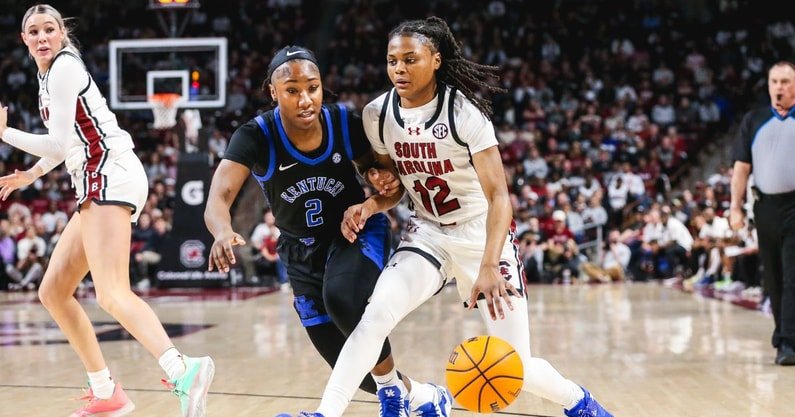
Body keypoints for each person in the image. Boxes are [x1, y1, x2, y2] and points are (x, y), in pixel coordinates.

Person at [296, 17, 614, 417]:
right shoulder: (378, 115)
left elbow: (501, 199)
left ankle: (579, 403)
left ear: (435, 60)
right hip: (428, 234)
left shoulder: (464, 114)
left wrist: (488, 266)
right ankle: (326, 413)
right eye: (392, 60)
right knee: (373, 317)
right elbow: (397, 188)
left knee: (516, 368)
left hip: (482, 237)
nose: (399, 69)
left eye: (410, 60)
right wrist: (372, 203)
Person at [203, 45, 445, 415]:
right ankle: (425, 397)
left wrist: (378, 177)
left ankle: (384, 402)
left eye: (312, 87)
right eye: (292, 90)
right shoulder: (255, 136)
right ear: (273, 91)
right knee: (347, 362)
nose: (305, 99)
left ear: (322, 86)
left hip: (354, 233)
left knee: (343, 299)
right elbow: (218, 197)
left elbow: (386, 183)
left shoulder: (342, 122)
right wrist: (222, 231)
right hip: (300, 252)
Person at [0, 5, 214, 416]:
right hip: (97, 177)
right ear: (24, 40)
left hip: (109, 174)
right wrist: (32, 173)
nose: (42, 36)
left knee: (112, 294)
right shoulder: (47, 77)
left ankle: (183, 368)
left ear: (62, 34)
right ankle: (106, 392)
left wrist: (5, 132)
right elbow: (68, 141)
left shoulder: (64, 68)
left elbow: (61, 145)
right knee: (53, 291)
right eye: (34, 31)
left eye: (49, 29)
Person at [730, 61, 795, 366]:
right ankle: (783, 336)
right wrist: (735, 208)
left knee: (792, 274)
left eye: (785, 81)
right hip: (765, 207)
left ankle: (787, 342)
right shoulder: (753, 120)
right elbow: (741, 169)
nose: (779, 87)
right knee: (774, 277)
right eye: (774, 81)